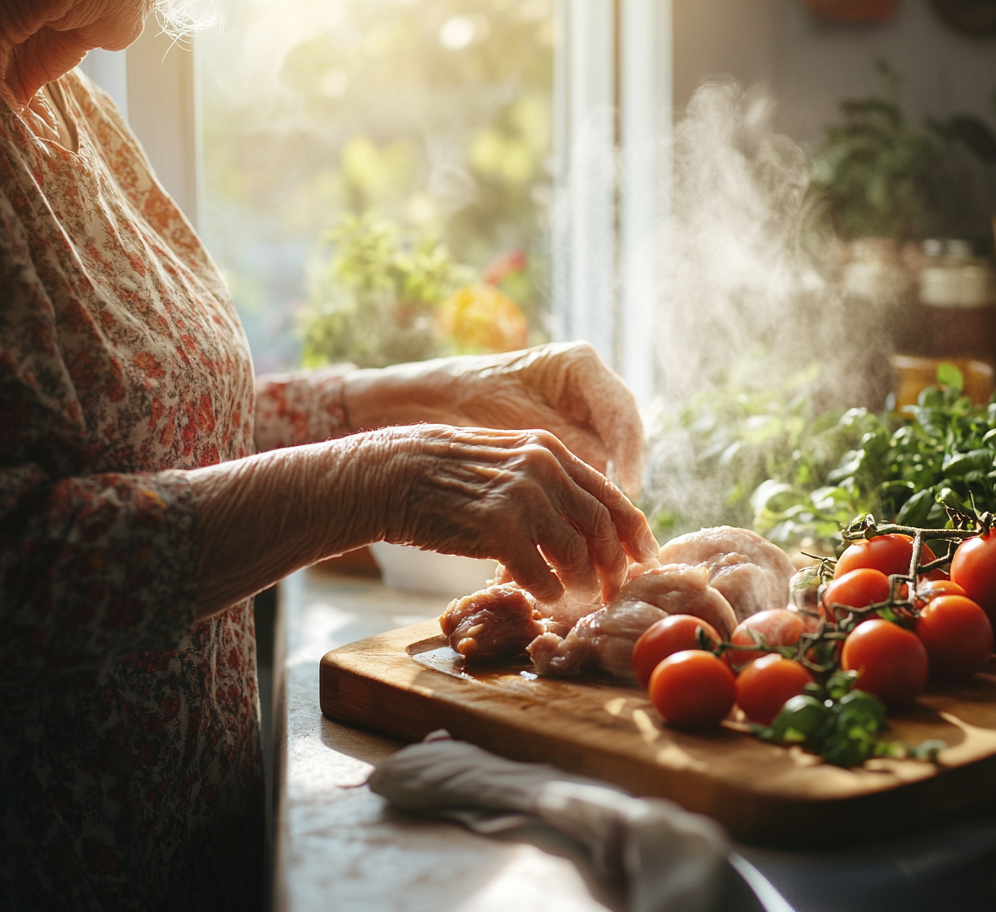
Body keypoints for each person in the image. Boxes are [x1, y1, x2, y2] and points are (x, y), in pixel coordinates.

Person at [0, 1, 658, 908]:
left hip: (200, 839)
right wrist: (371, 478)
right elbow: (20, 561)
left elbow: (169, 426)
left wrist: (442, 389)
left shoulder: (72, 105)